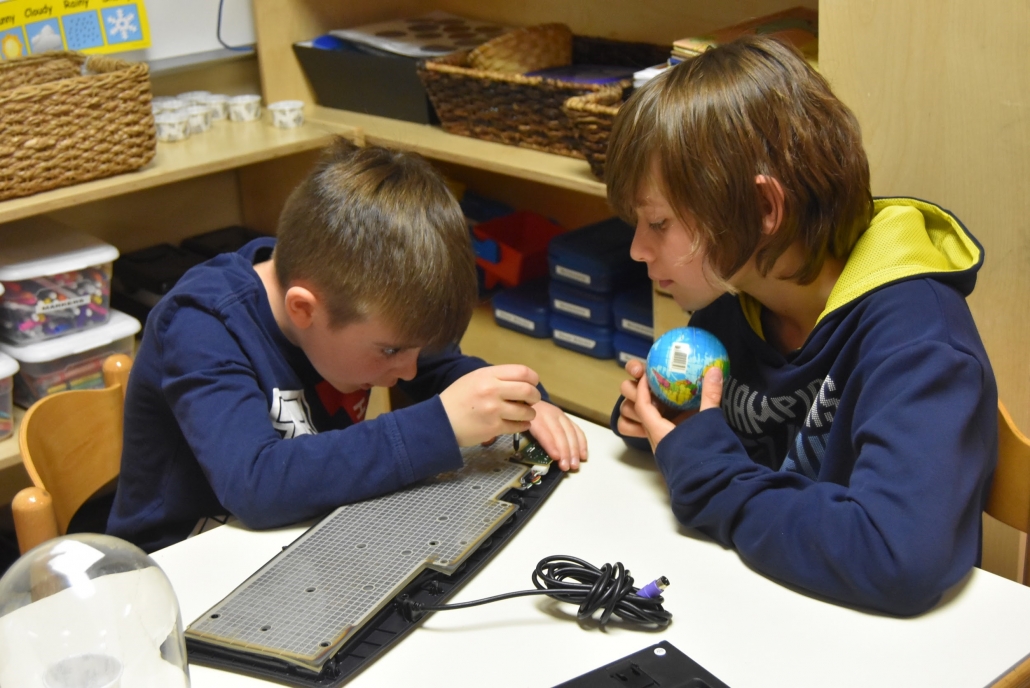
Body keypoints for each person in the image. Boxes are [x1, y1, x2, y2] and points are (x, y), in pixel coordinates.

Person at [607, 36, 997, 616]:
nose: (638, 249)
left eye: (659, 223)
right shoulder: (734, 301)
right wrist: (665, 424)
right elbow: (729, 451)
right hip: (761, 606)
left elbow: (897, 558)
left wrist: (707, 476)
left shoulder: (919, 340)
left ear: (765, 211)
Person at [107, 138, 587, 553]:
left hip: (302, 538)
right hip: (180, 568)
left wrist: (512, 402)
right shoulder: (201, 327)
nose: (406, 370)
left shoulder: (351, 288)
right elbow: (255, 484)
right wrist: (438, 425)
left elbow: (442, 370)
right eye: (390, 351)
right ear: (303, 309)